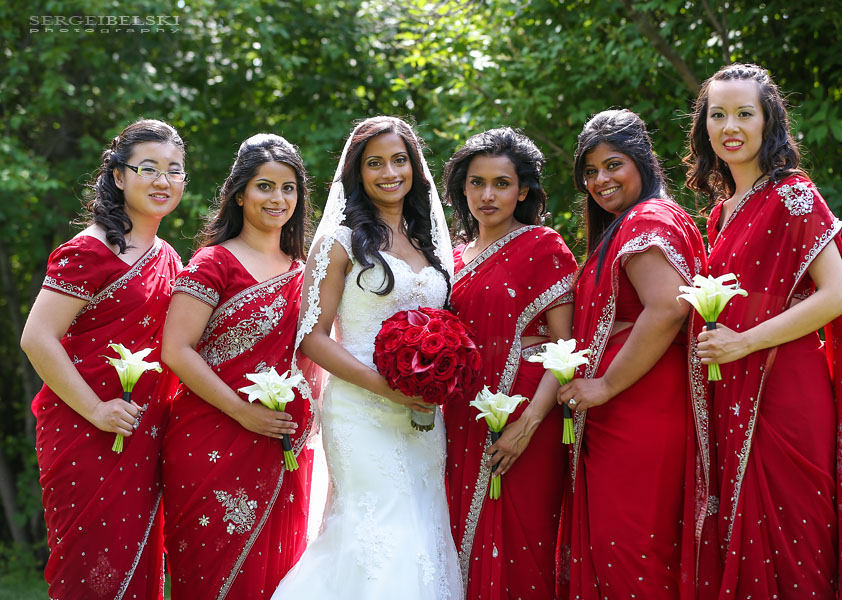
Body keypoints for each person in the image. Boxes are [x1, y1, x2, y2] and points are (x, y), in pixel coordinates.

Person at [684, 63, 842, 599]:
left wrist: (744, 341)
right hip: (733, 395)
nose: (730, 126)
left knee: (796, 543)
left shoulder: (792, 194)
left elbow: (837, 295)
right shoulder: (721, 214)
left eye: (745, 113)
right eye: (717, 115)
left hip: (785, 392)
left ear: (771, 122)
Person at [271, 116, 463, 599]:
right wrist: (388, 386)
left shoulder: (432, 244)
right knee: (377, 533)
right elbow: (311, 338)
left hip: (422, 415)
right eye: (374, 163)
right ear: (357, 173)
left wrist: (432, 382)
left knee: (423, 531)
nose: (388, 172)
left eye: (399, 160)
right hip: (360, 409)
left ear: (415, 168)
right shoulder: (338, 241)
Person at [19, 119, 185, 599]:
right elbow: (37, 338)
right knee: (90, 572)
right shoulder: (88, 252)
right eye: (148, 169)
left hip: (141, 431)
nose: (163, 181)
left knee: (138, 572)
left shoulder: (167, 256)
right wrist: (96, 409)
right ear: (118, 175)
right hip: (85, 430)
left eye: (174, 171)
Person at [555, 109, 707, 599]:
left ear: (642, 162)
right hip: (633, 408)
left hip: (639, 409)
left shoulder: (647, 221)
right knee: (632, 552)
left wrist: (604, 385)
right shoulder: (639, 221)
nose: (601, 180)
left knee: (633, 554)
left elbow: (667, 307)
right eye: (591, 172)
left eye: (613, 165)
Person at [160, 134, 314, 599]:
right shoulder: (213, 262)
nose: (278, 198)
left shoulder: (305, 272)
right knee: (210, 573)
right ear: (240, 193)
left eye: (289, 188)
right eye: (265, 186)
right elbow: (176, 349)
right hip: (211, 433)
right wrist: (242, 411)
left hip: (282, 444)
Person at [442, 127, 576, 599]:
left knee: (524, 546)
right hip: (459, 418)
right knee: (457, 537)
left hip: (526, 420)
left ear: (523, 191)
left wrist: (529, 423)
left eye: (501, 183)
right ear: (463, 188)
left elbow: (565, 349)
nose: (487, 195)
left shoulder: (545, 246)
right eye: (476, 182)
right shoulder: (452, 257)